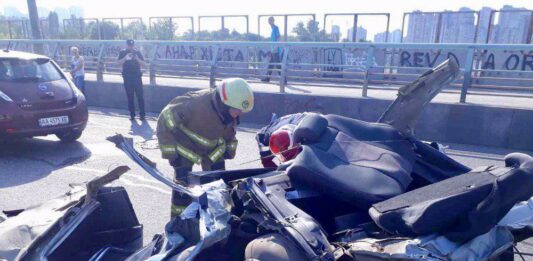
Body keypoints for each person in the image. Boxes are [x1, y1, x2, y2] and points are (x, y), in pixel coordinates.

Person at [156, 78, 254, 218]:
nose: (241, 113)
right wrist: (170, 153)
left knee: (218, 187)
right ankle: (179, 222)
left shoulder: (227, 111)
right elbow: (165, 121)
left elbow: (229, 131)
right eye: (238, 110)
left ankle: (216, 220)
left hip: (212, 150)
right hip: (186, 147)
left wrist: (229, 149)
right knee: (182, 190)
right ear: (225, 104)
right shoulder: (193, 105)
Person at [118, 39, 146, 120]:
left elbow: (144, 64)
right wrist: (125, 58)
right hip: (127, 77)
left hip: (137, 77)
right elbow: (118, 63)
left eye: (132, 45)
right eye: (129, 46)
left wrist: (137, 58)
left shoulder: (138, 52)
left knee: (140, 96)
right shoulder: (122, 52)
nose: (131, 47)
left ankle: (142, 114)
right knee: (130, 97)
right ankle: (132, 114)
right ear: (126, 45)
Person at [261, 16, 282, 83]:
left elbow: (279, 38)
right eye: (269, 20)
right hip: (273, 50)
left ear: (273, 21)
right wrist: (271, 49)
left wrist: (275, 48)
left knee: (278, 66)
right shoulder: (272, 29)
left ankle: (283, 80)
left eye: (271, 20)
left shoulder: (276, 28)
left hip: (276, 50)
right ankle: (267, 78)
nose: (269, 22)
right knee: (271, 65)